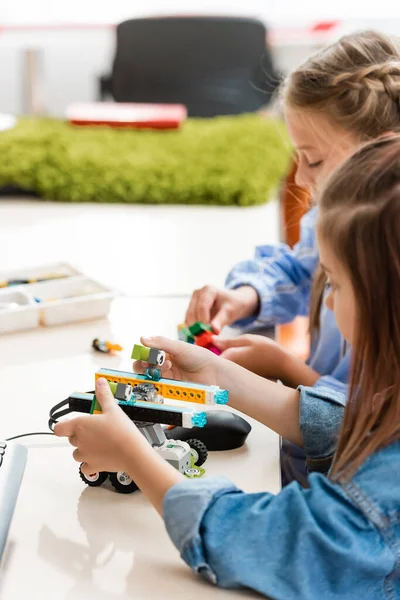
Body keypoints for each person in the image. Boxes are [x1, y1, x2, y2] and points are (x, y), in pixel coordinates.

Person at [56, 135, 400, 599]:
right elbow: (361, 421)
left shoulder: (382, 492)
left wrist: (133, 457)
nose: (330, 303)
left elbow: (265, 542)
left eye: (334, 284)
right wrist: (221, 377)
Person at [186, 30, 400, 484]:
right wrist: (247, 296)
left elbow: (372, 426)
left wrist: (286, 368)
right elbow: (303, 268)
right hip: (303, 445)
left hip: (348, 480)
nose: (299, 177)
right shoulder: (335, 213)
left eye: (313, 159)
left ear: (382, 149)